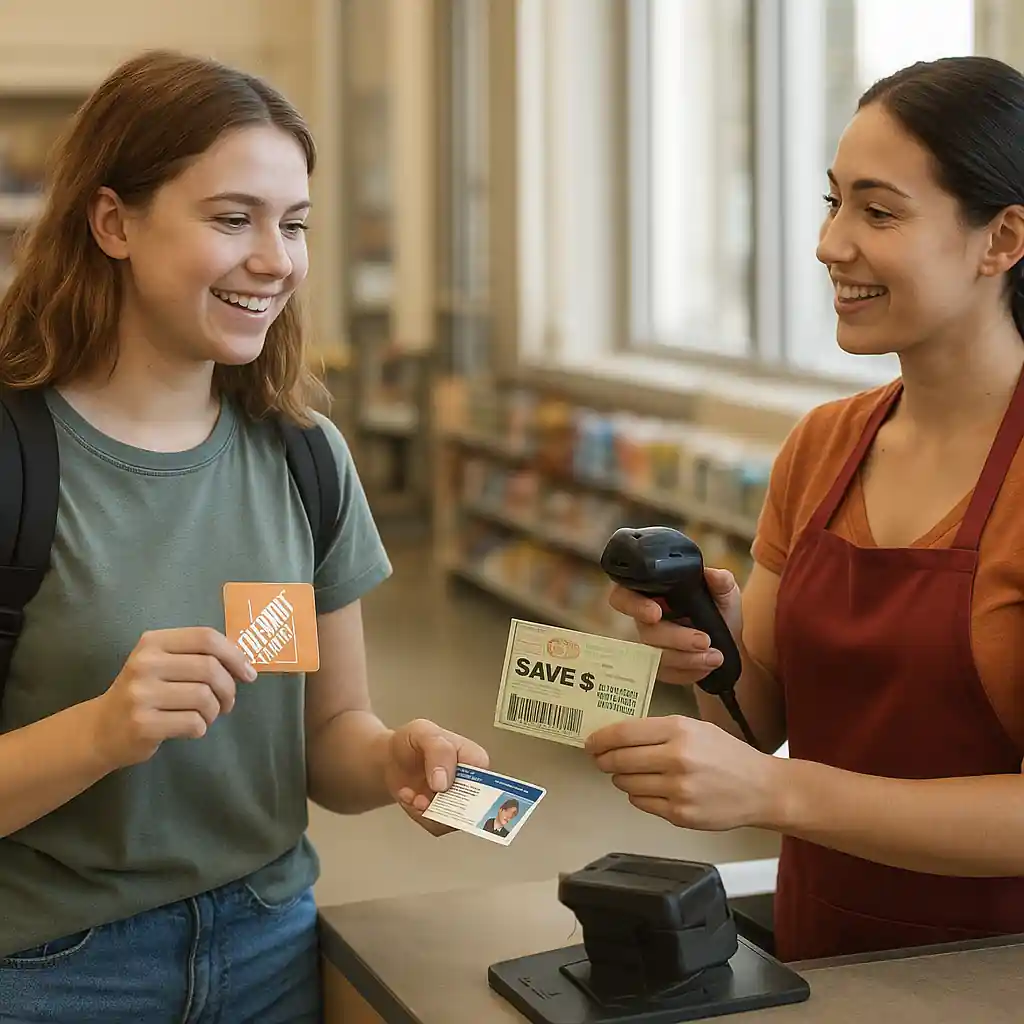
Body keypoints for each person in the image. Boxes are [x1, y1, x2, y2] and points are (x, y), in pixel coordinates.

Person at [0, 50, 489, 1021]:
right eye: (233, 218)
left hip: (272, 947)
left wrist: (398, 759)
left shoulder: (306, 456)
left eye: (294, 223)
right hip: (51, 970)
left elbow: (328, 739)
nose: (276, 258)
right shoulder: (18, 461)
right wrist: (99, 733)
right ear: (113, 223)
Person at [588, 55, 1024, 964]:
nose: (831, 243)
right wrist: (715, 647)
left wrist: (776, 794)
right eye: (833, 204)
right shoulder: (824, 445)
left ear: (1002, 238)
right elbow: (761, 722)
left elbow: (774, 776)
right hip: (824, 951)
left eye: (879, 210)